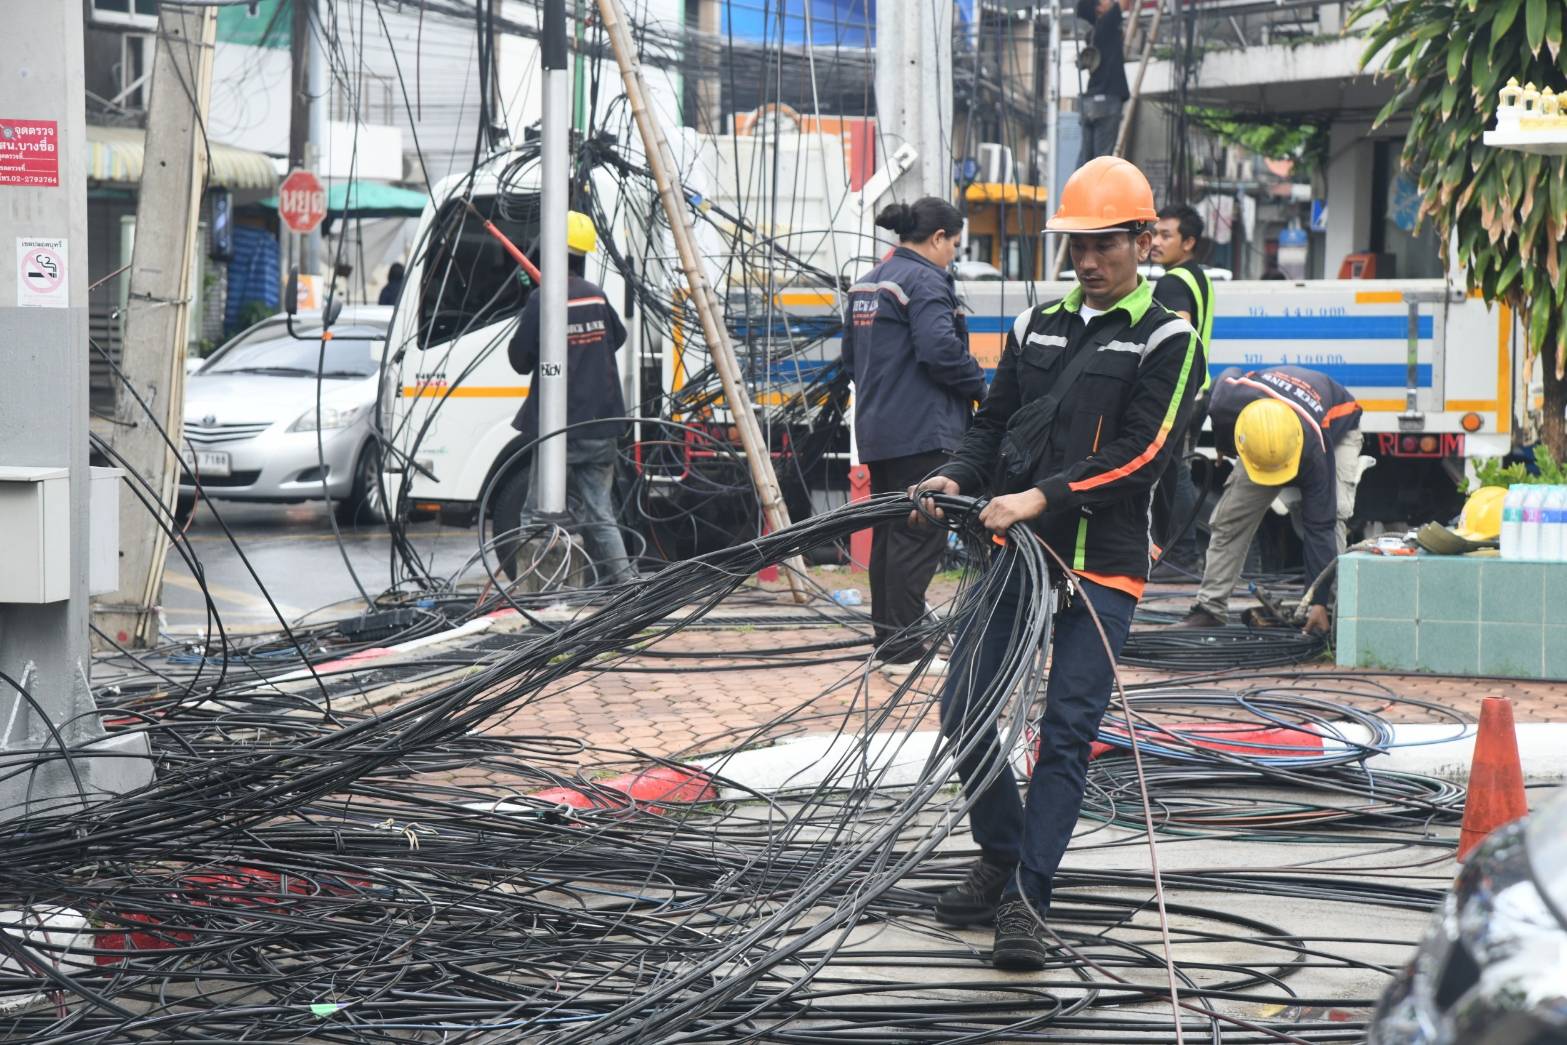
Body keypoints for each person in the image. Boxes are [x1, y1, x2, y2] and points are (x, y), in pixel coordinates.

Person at [910, 157, 1205, 970]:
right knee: (963, 710)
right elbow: (991, 424)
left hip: (1099, 568)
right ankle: (1002, 852)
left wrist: (1036, 498)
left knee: (1065, 735)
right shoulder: (1034, 324)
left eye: (1104, 245)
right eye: (1075, 245)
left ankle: (1028, 902)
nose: (1086, 261)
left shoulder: (1170, 338)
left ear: (1143, 241)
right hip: (1015, 557)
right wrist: (954, 475)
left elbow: (1138, 455)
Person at [842, 197, 987, 674]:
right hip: (924, 430)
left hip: (879, 428)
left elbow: (850, 360)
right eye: (955, 245)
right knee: (918, 534)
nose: (953, 256)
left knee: (890, 537)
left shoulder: (868, 282)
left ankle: (889, 644)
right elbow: (940, 351)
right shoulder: (925, 280)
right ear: (939, 237)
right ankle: (904, 653)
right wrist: (982, 384)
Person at [1173, 366, 1363, 635]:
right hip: (1265, 435)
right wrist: (1224, 444)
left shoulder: (1316, 452)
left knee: (1334, 520)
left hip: (1337, 430)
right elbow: (1213, 398)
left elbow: (1319, 526)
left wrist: (1318, 601)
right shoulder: (1227, 397)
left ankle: (1328, 613)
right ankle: (1209, 608)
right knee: (1229, 519)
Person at [507, 211, 634, 585]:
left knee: (535, 515)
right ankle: (631, 589)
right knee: (600, 514)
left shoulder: (543, 300)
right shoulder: (596, 297)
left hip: (559, 429)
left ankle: (531, 594)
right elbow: (618, 338)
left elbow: (519, 360)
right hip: (602, 425)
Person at [1148, 203, 1214, 570]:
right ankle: (1181, 554)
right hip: (1195, 389)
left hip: (1179, 392)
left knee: (1173, 474)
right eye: (1155, 234)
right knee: (1176, 470)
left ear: (1188, 242)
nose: (1155, 242)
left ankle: (1182, 556)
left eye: (1165, 235)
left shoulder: (1173, 282)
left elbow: (1179, 334)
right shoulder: (1196, 276)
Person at [1075, 0, 1133, 167]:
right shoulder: (1107, 22)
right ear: (1099, 7)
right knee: (1101, 164)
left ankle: (1077, 191)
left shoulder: (1092, 34)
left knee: (1086, 161)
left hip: (1089, 104)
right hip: (1106, 102)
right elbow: (1124, 3)